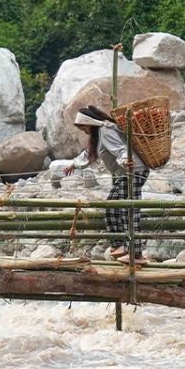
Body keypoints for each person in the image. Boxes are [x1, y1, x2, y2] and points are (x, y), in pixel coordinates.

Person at [65, 104, 150, 262]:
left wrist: (126, 160)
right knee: (112, 206)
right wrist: (74, 164)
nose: (83, 130)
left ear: (89, 122)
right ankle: (119, 244)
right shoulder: (99, 134)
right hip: (125, 174)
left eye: (83, 126)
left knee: (129, 210)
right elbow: (89, 153)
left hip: (133, 171)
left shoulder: (106, 130)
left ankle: (135, 253)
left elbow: (120, 148)